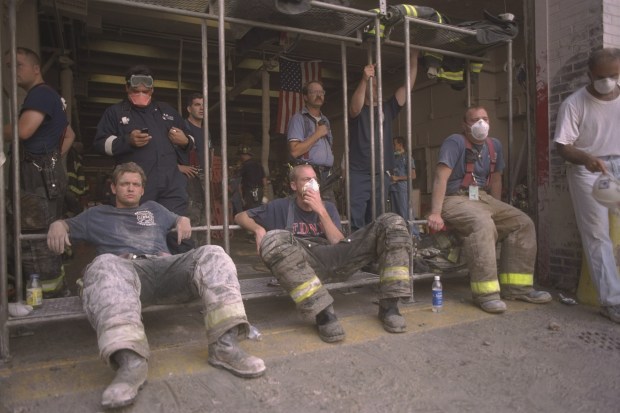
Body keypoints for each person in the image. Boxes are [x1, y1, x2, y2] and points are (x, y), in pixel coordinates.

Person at [46, 162, 266, 409]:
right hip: (124, 276)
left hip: (165, 269)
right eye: (125, 184)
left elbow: (177, 218)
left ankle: (224, 346)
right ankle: (131, 363)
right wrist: (58, 224)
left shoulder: (154, 209)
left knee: (214, 252)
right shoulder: (96, 215)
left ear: (142, 190)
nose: (130, 188)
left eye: (135, 185)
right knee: (103, 263)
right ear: (113, 188)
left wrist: (182, 219)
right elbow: (66, 225)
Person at [234, 164, 412, 343]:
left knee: (393, 222)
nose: (312, 183)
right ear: (294, 186)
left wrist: (321, 211)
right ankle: (323, 313)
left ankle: (390, 305)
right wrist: (258, 230)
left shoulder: (327, 207)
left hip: (336, 257)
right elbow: (240, 216)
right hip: (305, 266)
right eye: (306, 179)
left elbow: (338, 242)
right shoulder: (279, 206)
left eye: (314, 180)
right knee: (273, 239)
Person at [427, 106, 552, 313]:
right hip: (454, 198)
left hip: (481, 197)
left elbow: (496, 179)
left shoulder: (495, 146)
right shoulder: (455, 142)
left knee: (522, 222)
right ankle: (486, 294)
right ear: (464, 125)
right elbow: (441, 177)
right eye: (475, 119)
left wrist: (497, 209)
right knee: (482, 223)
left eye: (484, 118)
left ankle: (518, 288)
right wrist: (436, 212)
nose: (481, 123)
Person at [92, 65, 193, 254]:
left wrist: (185, 140)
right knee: (137, 233)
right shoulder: (115, 112)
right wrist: (126, 141)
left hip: (171, 185)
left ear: (152, 90)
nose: (140, 93)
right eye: (135, 90)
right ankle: (140, 275)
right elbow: (99, 143)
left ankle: (183, 273)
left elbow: (191, 140)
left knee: (178, 232)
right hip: (138, 188)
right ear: (126, 88)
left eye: (145, 91)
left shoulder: (167, 111)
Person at [554, 47, 620, 324]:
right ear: (589, 75)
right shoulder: (574, 104)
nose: (608, 81)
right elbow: (563, 147)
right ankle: (612, 302)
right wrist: (586, 158)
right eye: (602, 76)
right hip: (587, 170)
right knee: (597, 235)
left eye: (614, 75)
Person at [3, 46, 76, 296]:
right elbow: (69, 135)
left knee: (35, 246)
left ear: (36, 68)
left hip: (34, 185)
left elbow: (23, 131)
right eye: (9, 67)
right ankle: (55, 297)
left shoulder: (40, 94)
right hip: (44, 181)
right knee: (45, 243)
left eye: (18, 65)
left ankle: (45, 304)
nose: (12, 71)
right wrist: (52, 161)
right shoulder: (48, 97)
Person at [348, 49, 419, 231]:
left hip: (382, 173)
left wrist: (413, 57)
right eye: (371, 86)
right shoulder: (359, 110)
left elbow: (407, 86)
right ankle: (356, 254)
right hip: (359, 172)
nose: (375, 89)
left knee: (377, 218)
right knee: (355, 217)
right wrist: (364, 79)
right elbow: (354, 107)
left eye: (377, 86)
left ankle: (373, 254)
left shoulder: (387, 108)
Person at [287, 80, 337, 202]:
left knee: (328, 211)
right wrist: (317, 134)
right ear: (305, 97)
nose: (319, 95)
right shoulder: (298, 118)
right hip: (309, 173)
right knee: (310, 210)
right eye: (314, 92)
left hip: (326, 174)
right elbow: (294, 151)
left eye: (321, 92)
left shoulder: (325, 120)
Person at [178, 93, 209, 245]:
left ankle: (202, 252)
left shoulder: (206, 130)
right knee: (192, 215)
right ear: (189, 108)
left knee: (205, 217)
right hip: (189, 178)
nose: (202, 108)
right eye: (197, 104)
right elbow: (164, 152)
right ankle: (189, 252)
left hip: (204, 177)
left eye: (204, 105)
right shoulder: (182, 128)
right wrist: (178, 167)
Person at [389, 136, 416, 223]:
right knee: (395, 215)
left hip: (403, 190)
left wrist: (398, 178)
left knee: (405, 213)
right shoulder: (394, 159)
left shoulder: (407, 158)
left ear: (400, 145)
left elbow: (413, 175)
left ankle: (413, 233)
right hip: (394, 189)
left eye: (394, 144)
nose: (393, 147)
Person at [239, 145, 267, 210]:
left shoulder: (245, 166)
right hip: (259, 191)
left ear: (244, 155)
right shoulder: (258, 164)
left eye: (241, 155)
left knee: (250, 211)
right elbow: (264, 179)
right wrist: (265, 192)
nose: (241, 157)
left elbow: (238, 181)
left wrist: (241, 197)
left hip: (249, 191)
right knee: (259, 209)